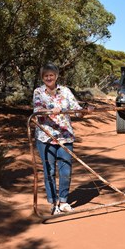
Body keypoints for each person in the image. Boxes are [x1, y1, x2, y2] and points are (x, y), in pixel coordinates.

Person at [33, 63, 87, 215]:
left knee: (65, 170)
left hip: (65, 137)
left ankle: (63, 201)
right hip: (45, 137)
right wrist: (51, 110)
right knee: (49, 171)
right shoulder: (38, 91)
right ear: (42, 78)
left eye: (51, 75)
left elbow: (76, 109)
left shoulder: (65, 91)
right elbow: (37, 110)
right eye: (45, 76)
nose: (49, 78)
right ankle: (53, 203)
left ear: (56, 75)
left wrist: (83, 111)